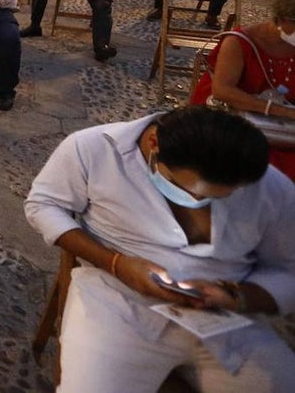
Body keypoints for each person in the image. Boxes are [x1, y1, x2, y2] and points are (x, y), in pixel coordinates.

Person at [25, 106, 295, 393]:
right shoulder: (95, 148)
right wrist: (117, 264)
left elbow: (287, 267)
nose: (197, 201)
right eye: (191, 191)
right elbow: (44, 205)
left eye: (216, 198)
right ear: (153, 143)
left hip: (224, 321)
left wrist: (235, 296)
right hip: (117, 303)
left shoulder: (267, 184)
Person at [190, 0, 295, 180]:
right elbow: (223, 91)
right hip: (233, 123)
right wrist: (283, 112)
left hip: (281, 126)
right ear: (283, 20)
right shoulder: (240, 42)